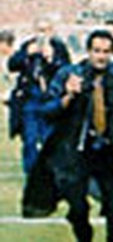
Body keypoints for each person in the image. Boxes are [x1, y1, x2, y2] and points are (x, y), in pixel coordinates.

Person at [22, 29, 113, 242]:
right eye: (97, 51)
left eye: (106, 51)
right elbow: (47, 111)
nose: (101, 56)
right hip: (76, 155)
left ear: (112, 53)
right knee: (78, 208)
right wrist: (68, 96)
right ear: (88, 51)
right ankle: (82, 232)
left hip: (112, 155)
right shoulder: (69, 76)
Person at [7, 16, 71, 173]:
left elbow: (66, 69)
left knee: (50, 139)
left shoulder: (59, 48)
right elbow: (12, 65)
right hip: (30, 99)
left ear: (52, 31)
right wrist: (26, 54)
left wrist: (51, 59)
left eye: (46, 30)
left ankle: (50, 173)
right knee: (30, 140)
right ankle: (31, 174)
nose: (43, 34)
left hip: (50, 100)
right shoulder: (28, 46)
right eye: (40, 30)